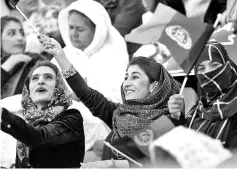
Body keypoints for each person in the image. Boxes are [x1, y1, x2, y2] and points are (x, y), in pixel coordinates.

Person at [38, 35, 180, 168]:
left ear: (153, 86)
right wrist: (60, 55)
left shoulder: (168, 122)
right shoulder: (119, 114)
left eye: (135, 77)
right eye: (126, 77)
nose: (127, 83)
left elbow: (159, 164)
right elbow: (86, 93)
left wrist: (111, 165)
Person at [0, 60, 85, 168]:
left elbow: (40, 137)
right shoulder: (28, 122)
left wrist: (2, 114)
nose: (40, 81)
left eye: (48, 77)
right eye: (35, 78)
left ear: (59, 87)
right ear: (28, 89)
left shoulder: (72, 117)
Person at [54, 0, 129, 103]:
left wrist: (85, 93)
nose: (73, 34)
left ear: (97, 30)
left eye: (80, 29)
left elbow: (117, 96)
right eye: (71, 27)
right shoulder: (65, 53)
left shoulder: (113, 54)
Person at [168, 41, 237, 149]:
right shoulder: (199, 108)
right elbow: (182, 146)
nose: (208, 72)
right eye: (201, 69)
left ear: (228, 66)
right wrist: (177, 118)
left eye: (215, 65)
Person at [1, 16, 47, 99]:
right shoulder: (3, 65)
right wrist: (6, 67)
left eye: (22, 33)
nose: (20, 38)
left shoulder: (35, 61)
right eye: (11, 33)